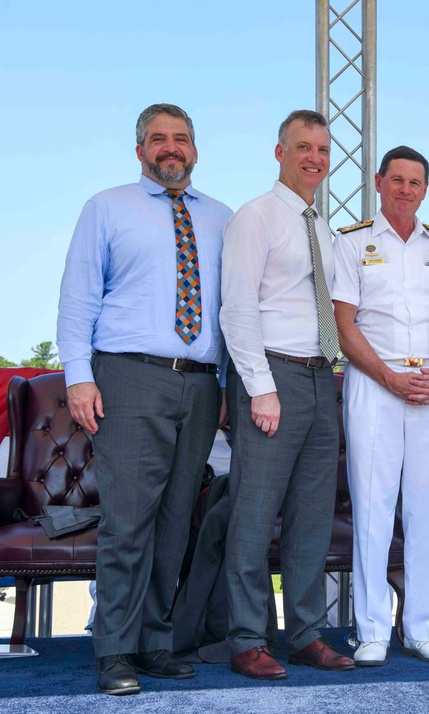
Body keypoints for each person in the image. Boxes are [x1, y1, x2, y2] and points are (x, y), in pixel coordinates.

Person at [56, 103, 231, 696]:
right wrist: (79, 375)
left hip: (202, 382)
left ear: (195, 149)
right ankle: (114, 650)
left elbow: (233, 313)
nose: (170, 148)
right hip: (128, 377)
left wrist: (228, 384)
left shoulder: (222, 218)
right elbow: (78, 296)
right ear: (139, 150)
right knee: (129, 520)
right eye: (158, 139)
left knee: (176, 518)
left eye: (181, 139)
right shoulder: (106, 208)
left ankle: (154, 641)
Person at [221, 109, 353, 679]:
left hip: (322, 376)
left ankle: (304, 635)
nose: (314, 159)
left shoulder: (320, 226)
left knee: (311, 518)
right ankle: (248, 638)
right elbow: (237, 307)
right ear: (280, 153)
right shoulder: (256, 217)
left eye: (322, 150)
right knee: (254, 515)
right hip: (273, 375)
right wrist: (259, 388)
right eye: (303, 147)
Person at [331, 145, 429, 666]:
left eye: (415, 182)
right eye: (397, 180)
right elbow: (344, 325)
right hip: (376, 381)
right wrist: (389, 377)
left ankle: (423, 629)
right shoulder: (352, 243)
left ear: (425, 189)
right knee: (372, 509)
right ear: (379, 181)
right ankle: (371, 631)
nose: (405, 190)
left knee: (428, 510)